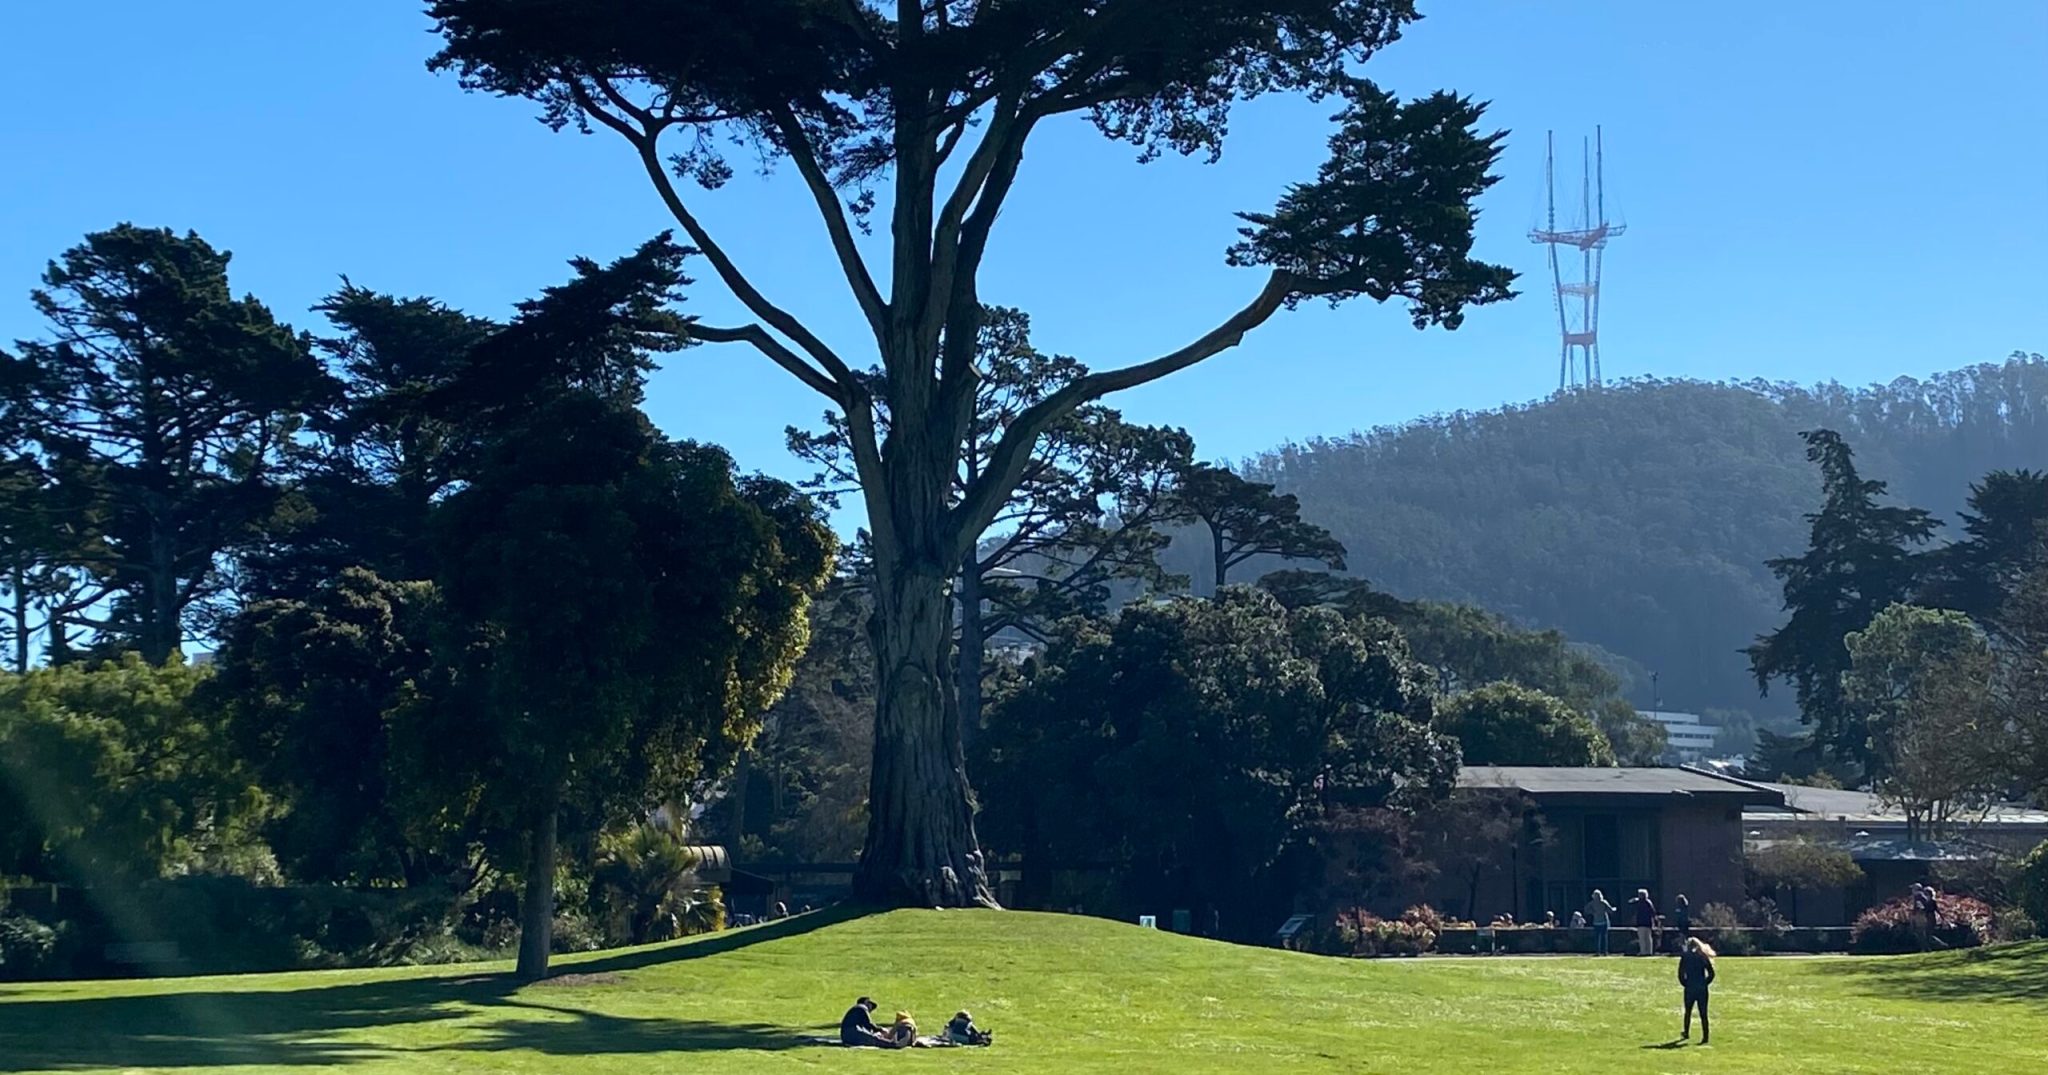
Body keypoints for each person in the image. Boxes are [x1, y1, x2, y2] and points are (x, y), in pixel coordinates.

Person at [1677, 937, 1717, 1044]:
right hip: (1702, 988)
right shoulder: (1703, 957)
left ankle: (1686, 1032)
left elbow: (1681, 974)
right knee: (1703, 1013)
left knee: (1688, 1012)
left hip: (1690, 987)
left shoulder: (1685, 957)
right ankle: (1705, 1036)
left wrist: (1685, 984)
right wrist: (1705, 983)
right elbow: (1712, 973)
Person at [1584, 890, 1616, 955]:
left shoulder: (1592, 903)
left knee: (1597, 938)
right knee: (1604, 937)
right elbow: (1610, 910)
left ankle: (1598, 952)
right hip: (1603, 921)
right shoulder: (1603, 902)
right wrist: (1612, 910)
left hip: (1596, 922)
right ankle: (1605, 951)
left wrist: (1593, 912)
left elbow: (1586, 909)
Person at [1631, 889, 1659, 956]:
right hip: (1648, 923)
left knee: (1642, 938)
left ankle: (1643, 952)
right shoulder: (1649, 902)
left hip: (1641, 922)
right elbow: (1653, 912)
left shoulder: (1639, 903)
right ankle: (1649, 951)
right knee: (1648, 938)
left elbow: (1631, 903)